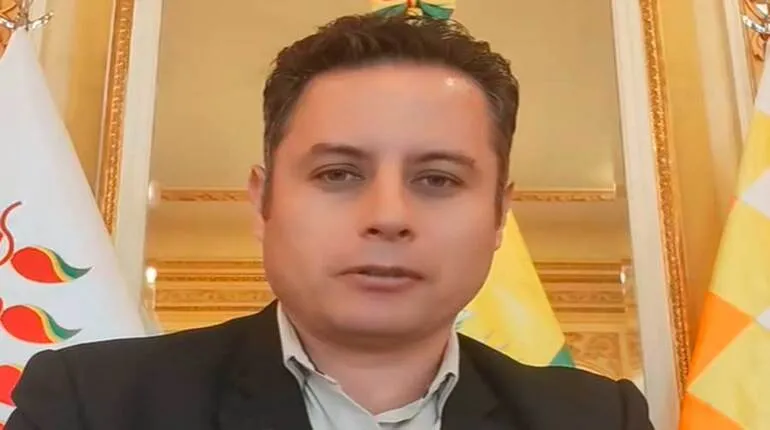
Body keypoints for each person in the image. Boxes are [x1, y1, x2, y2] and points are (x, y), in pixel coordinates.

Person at [7, 13, 654, 430]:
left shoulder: (596, 419)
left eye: (438, 180)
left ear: (497, 217)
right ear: (263, 201)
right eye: (339, 174)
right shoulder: (95, 403)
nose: (389, 217)